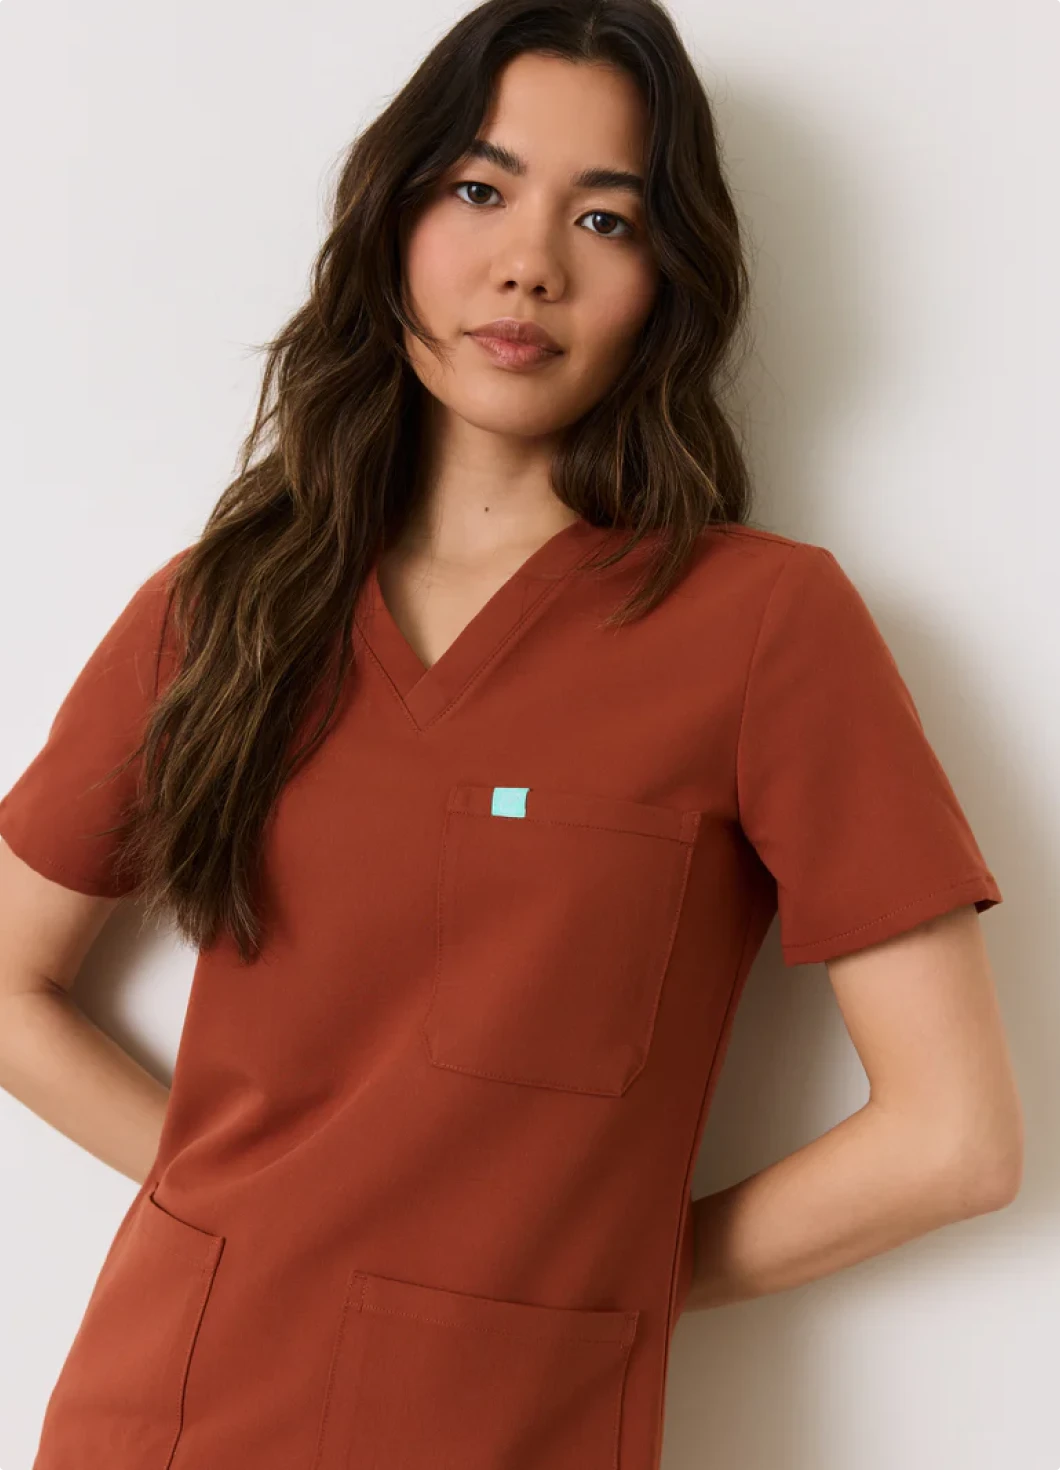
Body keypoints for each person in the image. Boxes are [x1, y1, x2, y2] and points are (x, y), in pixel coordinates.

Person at [0, 1, 1023, 1467]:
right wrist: (251, 1202)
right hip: (163, 1405)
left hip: (513, 1427)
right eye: (479, 190)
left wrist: (594, 1279)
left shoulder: (762, 627)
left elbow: (953, 1141)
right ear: (394, 223)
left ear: (666, 282)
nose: (527, 260)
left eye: (604, 218)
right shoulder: (217, 610)